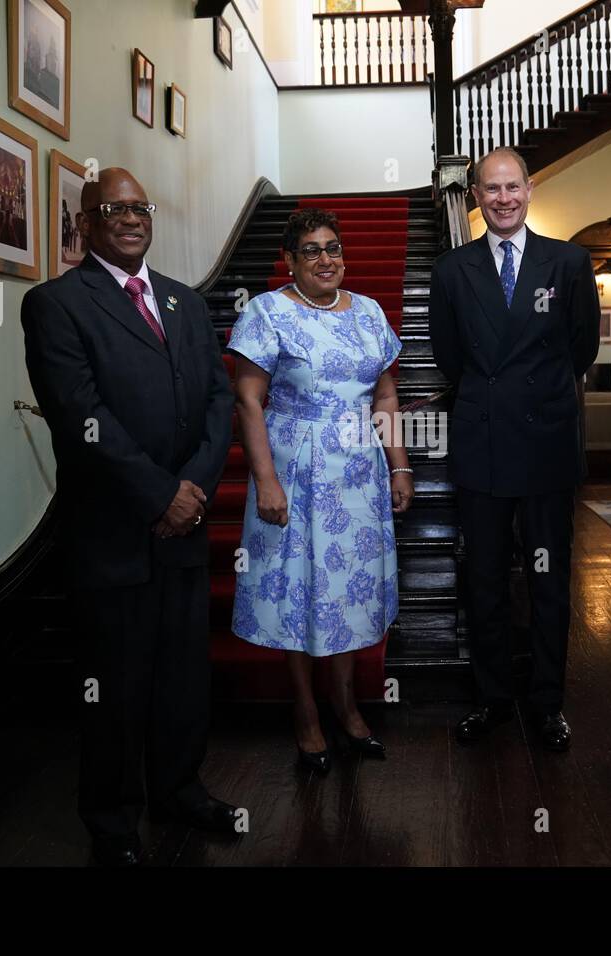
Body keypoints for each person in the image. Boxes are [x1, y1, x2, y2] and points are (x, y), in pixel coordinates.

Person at [22, 167, 241, 865]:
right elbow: (80, 414)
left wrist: (196, 489)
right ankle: (113, 823)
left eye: (139, 206)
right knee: (113, 686)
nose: (130, 216)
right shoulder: (55, 304)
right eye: (112, 207)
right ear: (85, 224)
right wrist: (158, 494)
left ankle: (180, 788)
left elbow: (218, 402)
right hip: (113, 530)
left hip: (184, 526)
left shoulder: (184, 302)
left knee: (183, 675)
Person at [429, 147, 600, 752]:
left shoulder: (570, 262)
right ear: (474, 196)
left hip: (547, 445)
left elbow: (582, 351)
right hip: (483, 447)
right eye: (490, 189)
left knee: (551, 581)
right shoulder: (451, 270)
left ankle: (548, 703)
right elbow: (452, 360)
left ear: (530, 190)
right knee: (485, 581)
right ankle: (493, 697)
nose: (502, 198)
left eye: (513, 187)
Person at [228, 208, 411, 773]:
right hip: (297, 474)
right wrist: (265, 480)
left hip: (359, 475)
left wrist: (398, 465)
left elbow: (384, 398)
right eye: (311, 249)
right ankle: (306, 713)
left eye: (333, 247)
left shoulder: (370, 312)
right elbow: (248, 400)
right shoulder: (267, 313)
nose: (326, 258)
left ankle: (347, 705)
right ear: (290, 259)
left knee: (350, 594)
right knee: (300, 592)